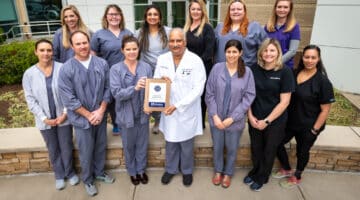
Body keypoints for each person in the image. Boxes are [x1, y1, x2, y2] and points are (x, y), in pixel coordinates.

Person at [58, 31, 115, 196]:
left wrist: (101, 110)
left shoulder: (101, 63)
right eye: (78, 43)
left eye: (85, 42)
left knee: (100, 146)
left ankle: (99, 172)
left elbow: (108, 88)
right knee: (86, 150)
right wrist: (89, 115)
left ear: (89, 42)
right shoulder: (67, 69)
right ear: (72, 45)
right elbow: (69, 99)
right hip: (81, 119)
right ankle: (88, 180)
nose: (82, 46)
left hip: (100, 115)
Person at [273, 45, 335, 188]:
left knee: (302, 151)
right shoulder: (294, 73)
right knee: (276, 142)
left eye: (313, 57)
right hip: (290, 122)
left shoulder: (323, 82)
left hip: (309, 125)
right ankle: (287, 168)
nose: (309, 60)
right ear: (302, 58)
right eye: (306, 57)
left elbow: (325, 110)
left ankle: (297, 176)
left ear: (318, 59)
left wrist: (314, 130)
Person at [22, 39, 79, 191]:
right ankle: (59, 175)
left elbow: (70, 92)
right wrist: (44, 118)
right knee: (53, 148)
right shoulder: (29, 74)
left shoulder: (62, 68)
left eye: (49, 50)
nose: (46, 53)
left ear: (53, 52)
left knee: (66, 146)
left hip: (64, 117)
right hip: (44, 120)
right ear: (36, 52)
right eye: (42, 50)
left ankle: (70, 172)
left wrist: (65, 113)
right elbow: (30, 98)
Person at [154, 28, 206, 186]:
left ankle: (187, 170)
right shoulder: (162, 59)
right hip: (168, 109)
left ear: (185, 42)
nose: (175, 44)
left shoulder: (195, 60)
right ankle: (170, 169)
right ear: (168, 42)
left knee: (186, 145)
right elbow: (155, 81)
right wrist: (161, 80)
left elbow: (199, 88)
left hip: (186, 110)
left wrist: (178, 105)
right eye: (172, 41)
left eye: (178, 41)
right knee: (170, 142)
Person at [243, 38, 295, 191]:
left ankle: (262, 176)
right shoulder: (253, 69)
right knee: (256, 147)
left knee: (269, 149)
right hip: (255, 117)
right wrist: (250, 116)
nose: (268, 53)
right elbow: (248, 95)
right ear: (261, 52)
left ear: (278, 52)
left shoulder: (285, 72)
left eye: (272, 50)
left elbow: (285, 102)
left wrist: (267, 121)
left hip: (275, 120)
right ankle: (255, 171)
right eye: (265, 50)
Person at [205, 39, 256, 188]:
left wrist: (232, 118)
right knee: (218, 147)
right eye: (228, 51)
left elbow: (249, 97)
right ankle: (218, 171)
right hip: (216, 118)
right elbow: (209, 93)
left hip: (236, 120)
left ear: (240, 53)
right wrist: (214, 115)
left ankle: (228, 173)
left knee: (232, 148)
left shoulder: (247, 72)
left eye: (235, 51)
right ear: (224, 52)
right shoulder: (217, 68)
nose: (231, 54)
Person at [110, 36, 152, 185]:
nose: (132, 52)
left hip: (142, 113)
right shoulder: (115, 69)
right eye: (128, 49)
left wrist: (150, 106)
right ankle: (132, 171)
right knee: (129, 146)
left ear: (138, 49)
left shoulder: (146, 67)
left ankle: (141, 170)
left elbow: (152, 91)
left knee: (142, 144)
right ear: (122, 50)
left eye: (134, 48)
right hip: (125, 114)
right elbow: (116, 93)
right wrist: (134, 88)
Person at [91, 4, 133, 135]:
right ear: (106, 17)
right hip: (108, 73)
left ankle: (128, 122)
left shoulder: (128, 33)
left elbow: (133, 51)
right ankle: (116, 124)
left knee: (126, 98)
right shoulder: (99, 34)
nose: (114, 17)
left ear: (121, 16)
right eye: (111, 14)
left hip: (126, 72)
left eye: (116, 14)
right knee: (111, 100)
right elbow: (93, 55)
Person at [135, 4, 170, 134]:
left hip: (164, 69)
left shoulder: (168, 31)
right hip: (146, 69)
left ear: (160, 17)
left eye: (155, 14)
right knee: (151, 96)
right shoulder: (139, 33)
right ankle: (156, 119)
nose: (152, 17)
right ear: (145, 17)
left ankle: (164, 120)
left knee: (164, 96)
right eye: (149, 14)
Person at [184, 0, 215, 129]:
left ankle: (199, 124)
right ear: (189, 11)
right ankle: (189, 122)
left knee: (200, 96)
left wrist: (195, 66)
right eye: (193, 9)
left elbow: (209, 51)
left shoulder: (207, 28)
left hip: (202, 68)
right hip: (187, 69)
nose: (196, 12)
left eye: (198, 9)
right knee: (188, 95)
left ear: (203, 11)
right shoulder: (186, 28)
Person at [214, 0, 267, 67]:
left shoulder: (254, 27)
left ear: (244, 11)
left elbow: (265, 48)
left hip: (245, 71)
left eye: (239, 9)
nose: (235, 11)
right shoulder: (219, 27)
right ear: (229, 12)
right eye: (233, 9)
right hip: (222, 71)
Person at [265, 0, 300, 68]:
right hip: (268, 65)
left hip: (285, 66)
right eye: (279, 7)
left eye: (285, 7)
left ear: (290, 9)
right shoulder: (268, 26)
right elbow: (263, 47)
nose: (282, 10)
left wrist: (276, 63)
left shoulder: (294, 27)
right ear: (275, 8)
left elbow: (292, 51)